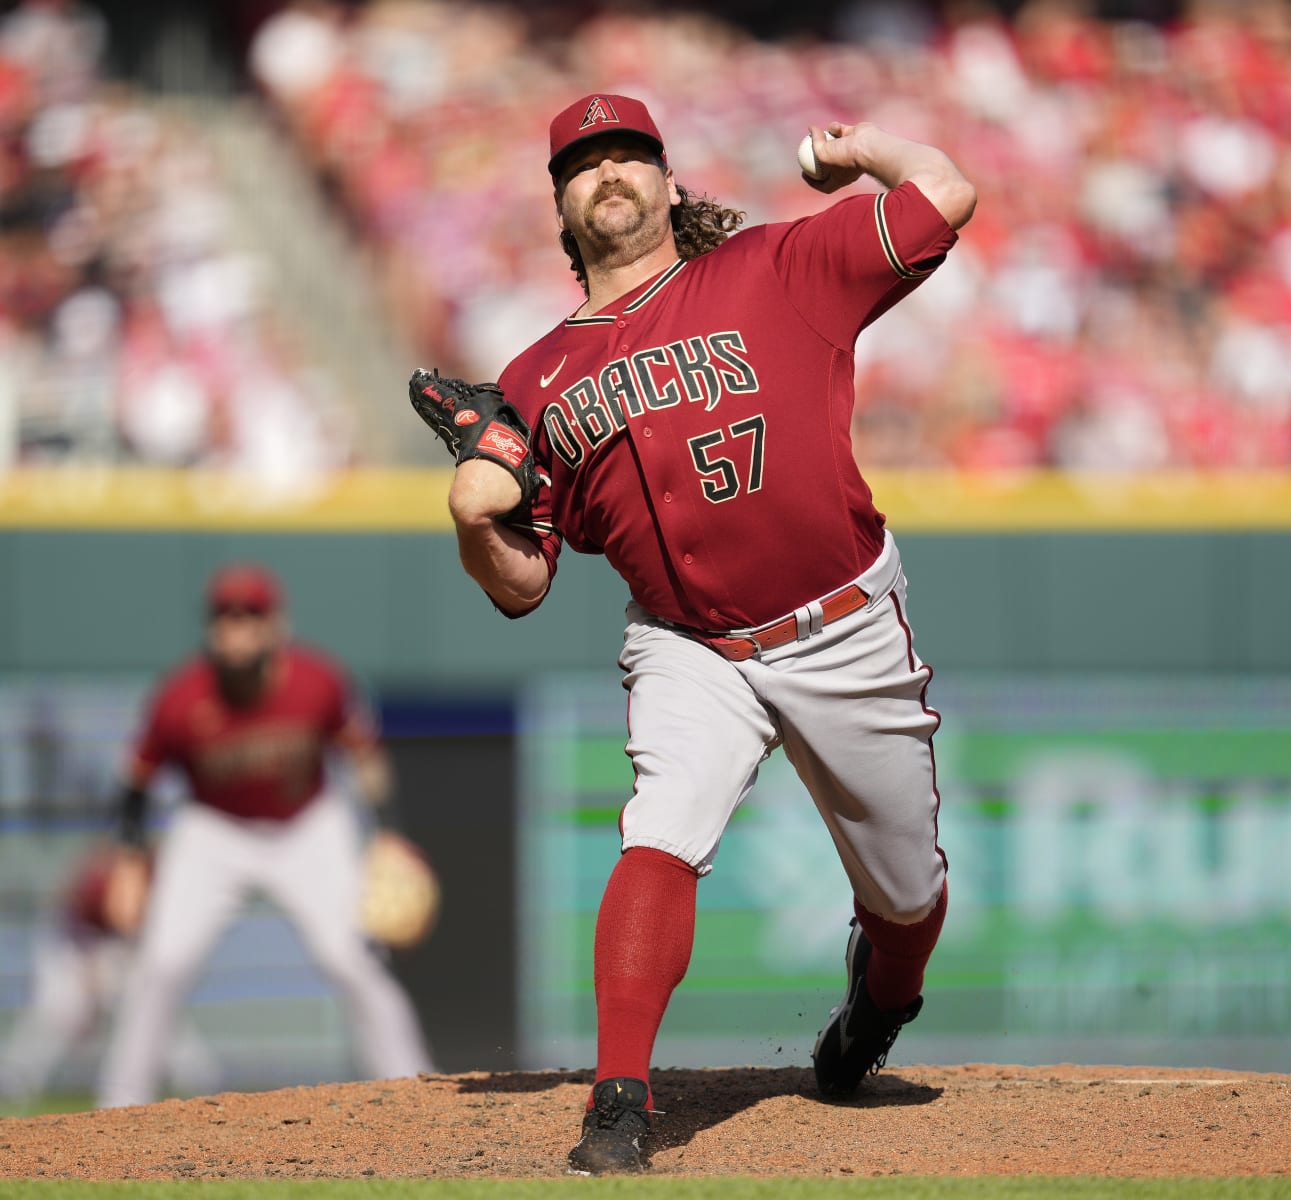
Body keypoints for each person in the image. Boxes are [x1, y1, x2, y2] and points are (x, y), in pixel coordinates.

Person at [412, 94, 977, 1173]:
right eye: (583, 164)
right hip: (684, 644)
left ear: (672, 184)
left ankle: (881, 996)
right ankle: (619, 1098)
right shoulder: (532, 381)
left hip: (842, 621)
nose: (608, 171)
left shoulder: (778, 268)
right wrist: (474, 519)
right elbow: (523, 586)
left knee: (908, 897)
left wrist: (860, 150)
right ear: (562, 212)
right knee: (659, 832)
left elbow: (945, 194)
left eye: (629, 152)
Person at [95, 563, 433, 1108]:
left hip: (307, 824)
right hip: (214, 830)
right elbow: (135, 780)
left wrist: (389, 833)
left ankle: (417, 1090)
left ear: (276, 624)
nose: (236, 627)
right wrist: (129, 859)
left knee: (349, 959)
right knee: (162, 963)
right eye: (224, 615)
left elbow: (365, 758)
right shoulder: (181, 697)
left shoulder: (317, 680)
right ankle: (117, 1108)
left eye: (250, 614)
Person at [0, 845, 221, 1108]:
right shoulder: (100, 882)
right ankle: (13, 1080)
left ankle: (199, 1080)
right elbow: (75, 928)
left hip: (124, 947)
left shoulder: (159, 878)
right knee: (61, 1011)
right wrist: (88, 976)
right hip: (74, 948)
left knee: (152, 1009)